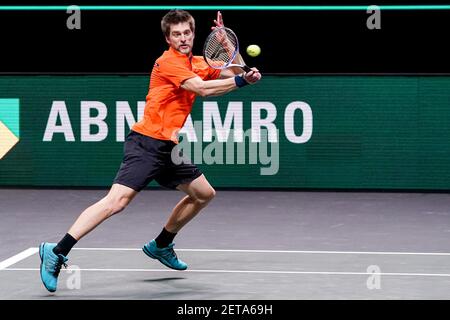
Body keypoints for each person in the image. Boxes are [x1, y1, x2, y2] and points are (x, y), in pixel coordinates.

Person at [39, 9, 261, 292]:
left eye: (187, 33)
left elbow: (233, 70)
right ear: (168, 38)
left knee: (204, 194)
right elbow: (204, 89)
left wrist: (232, 51)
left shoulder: (195, 62)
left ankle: (162, 244)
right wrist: (242, 81)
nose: (182, 38)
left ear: (194, 34)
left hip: (169, 147)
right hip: (146, 143)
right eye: (176, 34)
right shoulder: (167, 62)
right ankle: (56, 251)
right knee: (116, 202)